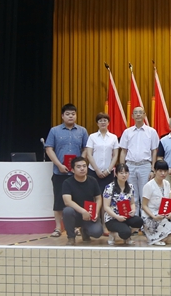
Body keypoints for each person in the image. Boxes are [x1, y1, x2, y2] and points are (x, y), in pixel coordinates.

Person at [45, 103, 89, 238]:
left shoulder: (82, 131)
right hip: (60, 172)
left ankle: (76, 227)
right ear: (62, 116)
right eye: (68, 114)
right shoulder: (54, 131)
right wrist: (59, 165)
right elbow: (49, 149)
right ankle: (58, 228)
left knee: (77, 200)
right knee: (59, 200)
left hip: (76, 174)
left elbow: (86, 149)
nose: (71, 116)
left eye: (73, 114)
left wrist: (80, 165)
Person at [119, 107, 160, 218]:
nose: (138, 115)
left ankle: (145, 221)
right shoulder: (127, 132)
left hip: (145, 166)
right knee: (132, 195)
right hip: (130, 166)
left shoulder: (151, 132)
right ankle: (135, 221)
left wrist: (153, 169)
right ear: (132, 116)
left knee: (145, 195)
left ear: (144, 115)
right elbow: (123, 151)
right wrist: (122, 168)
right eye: (135, 113)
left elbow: (154, 152)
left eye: (140, 112)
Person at [61, 156, 104, 246]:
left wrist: (96, 212)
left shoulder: (93, 181)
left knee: (97, 233)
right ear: (72, 170)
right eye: (79, 167)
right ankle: (71, 237)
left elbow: (98, 198)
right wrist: (83, 211)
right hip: (75, 214)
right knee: (67, 211)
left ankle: (85, 231)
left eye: (84, 166)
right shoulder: (67, 183)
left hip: (90, 213)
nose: (82, 169)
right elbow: (67, 201)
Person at [101, 163, 144, 245]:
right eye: (121, 173)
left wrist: (133, 210)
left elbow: (132, 203)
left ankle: (126, 234)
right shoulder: (109, 187)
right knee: (125, 233)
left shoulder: (130, 187)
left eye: (126, 173)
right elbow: (106, 207)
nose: (124, 175)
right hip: (112, 218)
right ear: (116, 174)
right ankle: (113, 234)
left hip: (126, 216)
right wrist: (117, 216)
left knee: (139, 221)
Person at [140, 160, 171, 246]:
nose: (163, 173)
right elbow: (144, 205)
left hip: (163, 212)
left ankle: (160, 238)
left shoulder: (167, 183)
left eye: (165, 171)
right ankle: (155, 238)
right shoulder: (149, 185)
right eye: (160, 171)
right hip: (150, 214)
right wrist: (154, 216)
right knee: (159, 223)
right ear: (155, 171)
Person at [83, 112, 119, 193]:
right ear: (97, 123)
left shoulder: (113, 137)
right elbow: (89, 154)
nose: (103, 122)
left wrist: (108, 170)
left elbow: (115, 155)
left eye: (105, 120)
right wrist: (97, 170)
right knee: (93, 194)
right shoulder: (92, 137)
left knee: (107, 194)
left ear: (108, 123)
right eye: (100, 121)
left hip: (108, 173)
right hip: (93, 171)